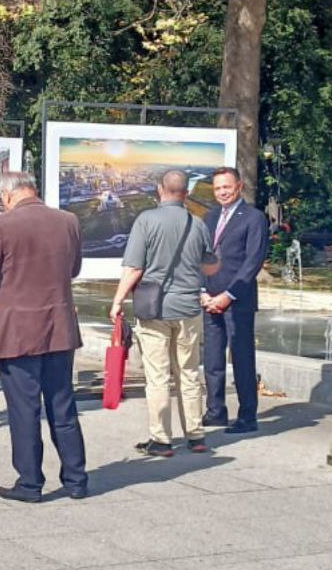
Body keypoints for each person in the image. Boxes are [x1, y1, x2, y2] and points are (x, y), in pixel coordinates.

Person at [0, 172, 88, 503]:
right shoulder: (68, 220)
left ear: (7, 196)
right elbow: (74, 269)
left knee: (24, 409)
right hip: (59, 327)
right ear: (33, 190)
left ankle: (30, 483)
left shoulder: (0, 226)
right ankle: (76, 479)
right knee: (62, 405)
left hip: (16, 330)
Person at [109, 170, 218, 457]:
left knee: (158, 376)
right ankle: (195, 435)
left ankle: (161, 439)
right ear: (186, 192)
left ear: (160, 190)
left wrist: (118, 300)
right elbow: (210, 267)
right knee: (189, 372)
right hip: (189, 309)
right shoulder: (197, 224)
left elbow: (134, 268)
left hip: (154, 309)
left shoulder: (146, 221)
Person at [201, 167, 270, 434]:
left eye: (226, 187)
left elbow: (253, 261)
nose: (222, 193)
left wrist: (228, 296)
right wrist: (203, 292)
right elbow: (201, 256)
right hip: (209, 299)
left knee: (242, 358)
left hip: (237, 299)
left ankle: (247, 416)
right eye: (218, 188)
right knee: (212, 359)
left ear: (239, 186)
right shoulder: (210, 216)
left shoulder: (254, 218)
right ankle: (216, 411)